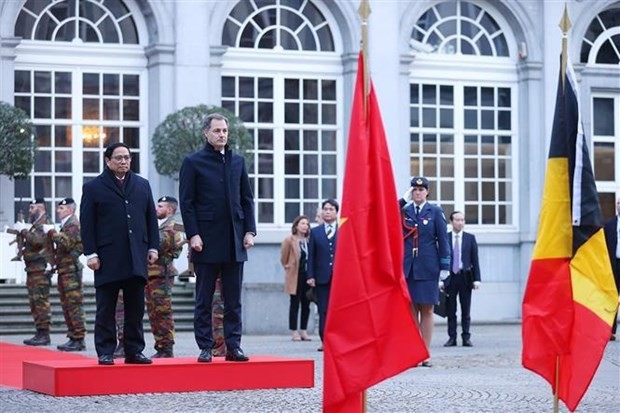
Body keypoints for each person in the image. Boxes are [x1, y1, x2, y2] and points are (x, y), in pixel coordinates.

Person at [179, 113, 256, 363]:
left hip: (235, 241)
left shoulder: (238, 162)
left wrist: (249, 231)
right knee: (204, 298)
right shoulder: (193, 162)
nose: (222, 134)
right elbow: (187, 203)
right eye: (217, 131)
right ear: (206, 133)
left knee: (233, 300)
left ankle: (234, 346)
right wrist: (193, 235)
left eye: (224, 131)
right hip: (206, 241)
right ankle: (205, 346)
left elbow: (247, 199)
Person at [80, 142, 159, 366]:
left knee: (135, 308)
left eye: (127, 157)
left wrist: (153, 247)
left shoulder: (142, 185)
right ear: (108, 161)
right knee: (106, 307)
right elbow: (87, 224)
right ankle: (105, 350)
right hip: (107, 257)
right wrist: (91, 253)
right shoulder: (94, 187)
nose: (124, 161)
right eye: (118, 158)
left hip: (137, 255)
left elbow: (150, 220)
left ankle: (134, 350)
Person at [400, 176, 450, 367]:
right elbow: (387, 216)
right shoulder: (405, 211)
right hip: (409, 268)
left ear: (427, 191)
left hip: (429, 266)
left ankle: (426, 352)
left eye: (421, 190)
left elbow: (443, 240)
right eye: (414, 190)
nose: (417, 193)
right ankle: (414, 352)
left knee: (427, 309)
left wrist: (445, 266)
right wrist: (402, 201)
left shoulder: (435, 211)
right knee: (411, 310)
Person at [47, 198, 87, 351]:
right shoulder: (65, 225)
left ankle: (79, 338)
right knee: (67, 305)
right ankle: (73, 336)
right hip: (64, 270)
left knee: (74, 305)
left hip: (71, 271)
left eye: (62, 208)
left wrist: (51, 233)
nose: (58, 211)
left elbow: (67, 244)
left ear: (70, 210)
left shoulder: (73, 224)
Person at [147, 196, 184, 358]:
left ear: (169, 210)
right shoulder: (159, 226)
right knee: (153, 312)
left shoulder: (172, 227)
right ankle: (160, 346)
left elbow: (161, 244)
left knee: (162, 312)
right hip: (150, 275)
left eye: (160, 206)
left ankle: (166, 347)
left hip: (162, 275)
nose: (156, 209)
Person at [443, 211, 481, 347]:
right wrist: (440, 279)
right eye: (457, 220)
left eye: (462, 220)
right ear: (451, 222)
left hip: (465, 277)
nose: (460, 223)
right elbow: (440, 259)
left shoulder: (470, 238)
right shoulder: (445, 238)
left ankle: (466, 337)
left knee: (466, 310)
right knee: (451, 310)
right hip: (450, 278)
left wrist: (477, 279)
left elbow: (475, 260)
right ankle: (452, 337)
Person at [307, 199, 339, 351]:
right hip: (322, 277)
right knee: (323, 309)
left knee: (339, 309)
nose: (327, 211)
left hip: (340, 278)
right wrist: (310, 276)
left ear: (336, 212)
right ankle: (325, 340)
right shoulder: (315, 232)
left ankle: (339, 340)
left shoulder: (343, 230)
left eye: (331, 209)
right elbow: (311, 256)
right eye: (325, 209)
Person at [21, 198, 53, 346]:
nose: (30, 210)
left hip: (40, 270)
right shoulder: (36, 225)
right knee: (35, 302)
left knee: (40, 302)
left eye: (33, 207)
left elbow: (38, 241)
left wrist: (24, 231)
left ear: (41, 207)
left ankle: (44, 334)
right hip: (33, 270)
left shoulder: (43, 224)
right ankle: (39, 332)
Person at [280, 215, 312, 342]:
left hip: (308, 276)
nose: (305, 226)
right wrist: (288, 266)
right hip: (295, 276)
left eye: (307, 224)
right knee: (294, 303)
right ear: (296, 226)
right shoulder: (289, 240)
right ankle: (294, 331)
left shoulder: (310, 240)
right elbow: (284, 257)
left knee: (307, 303)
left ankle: (303, 330)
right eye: (302, 223)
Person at [604, 196, 620, 341]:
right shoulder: (608, 225)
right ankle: (611, 330)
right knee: (612, 298)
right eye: (619, 203)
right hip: (613, 264)